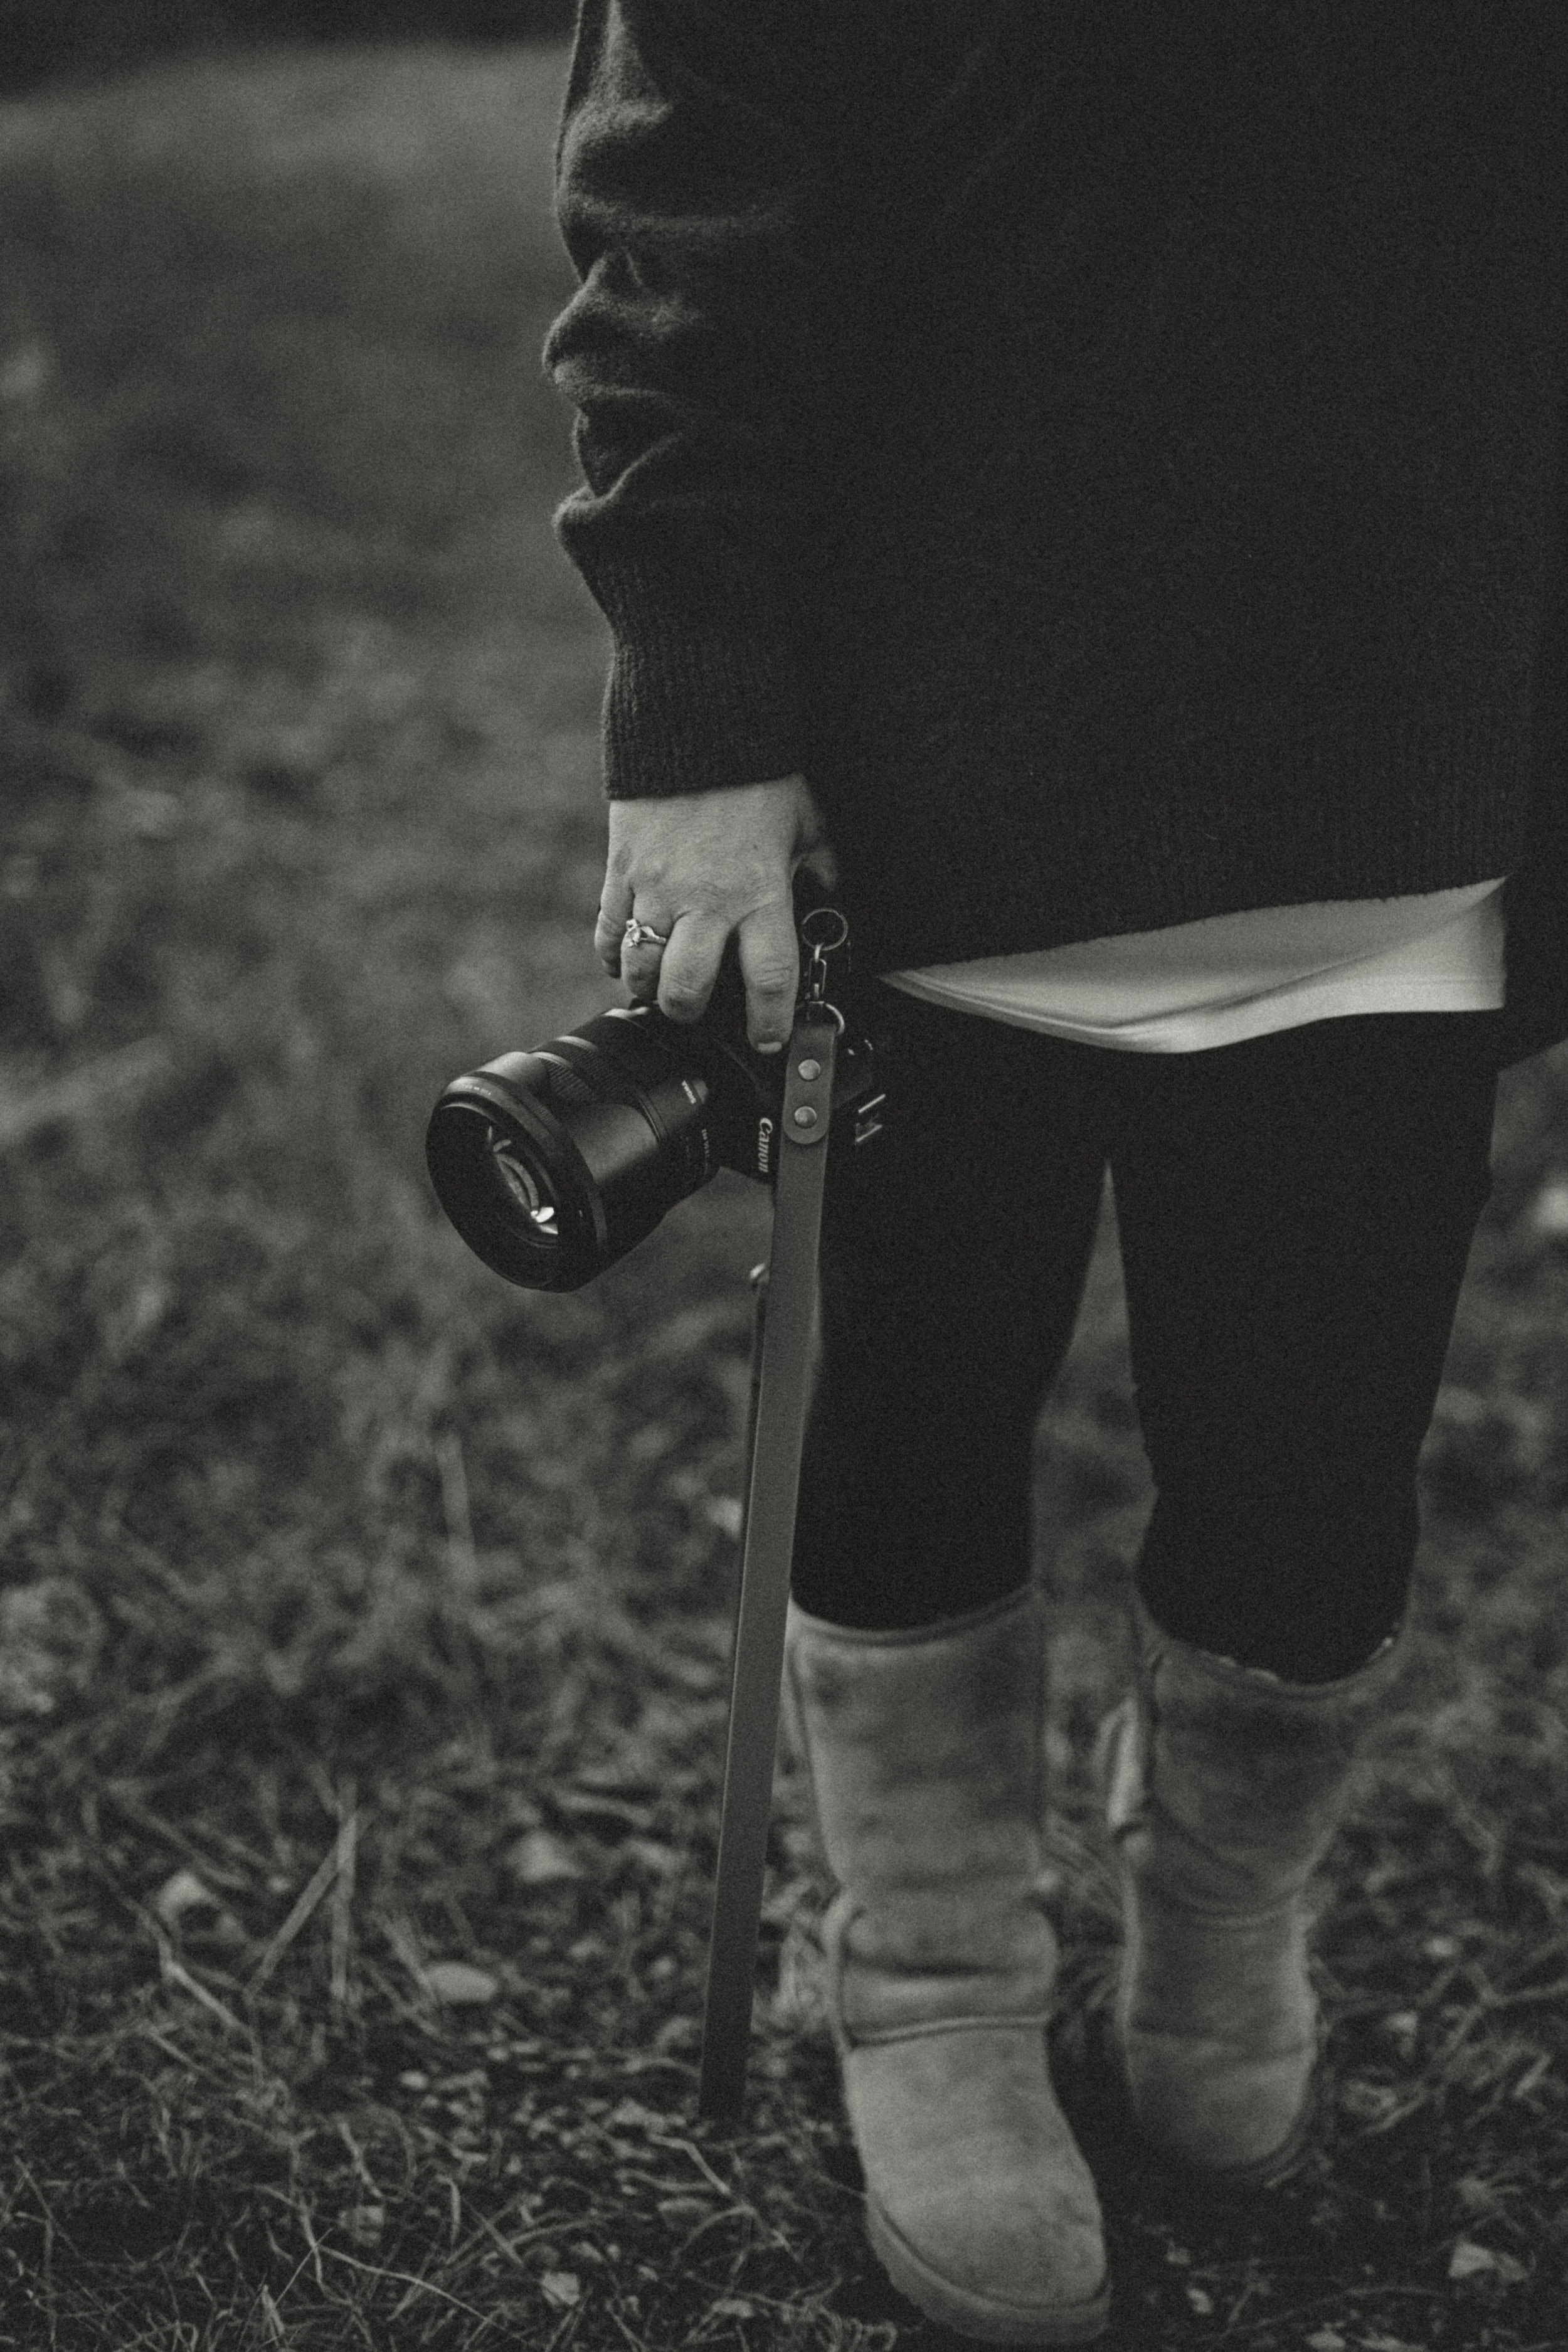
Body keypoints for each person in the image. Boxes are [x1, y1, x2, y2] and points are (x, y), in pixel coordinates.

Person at [541, 4, 1568, 2340]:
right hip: (934, 803)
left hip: (1407, 788)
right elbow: (678, 201)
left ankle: (1212, 1956)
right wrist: (697, 711)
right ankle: (924, 1977)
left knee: (1314, 1469)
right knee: (907, 1409)